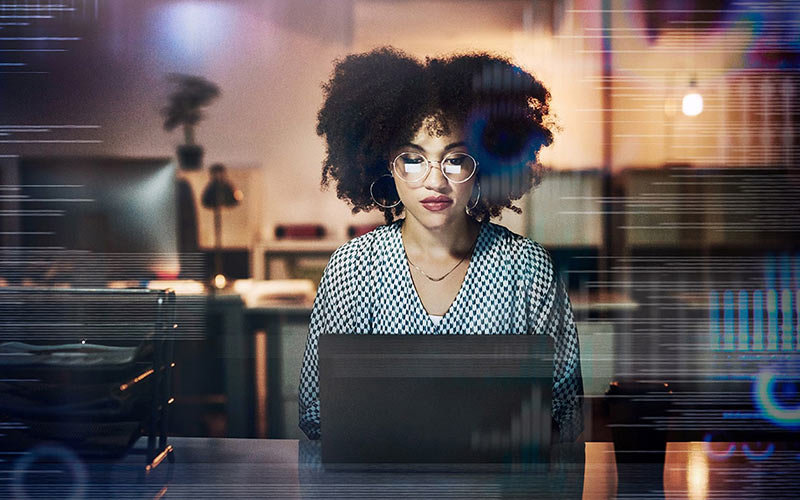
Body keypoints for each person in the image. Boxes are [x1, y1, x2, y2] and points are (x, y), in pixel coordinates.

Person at [299, 47, 583, 444]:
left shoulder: (528, 268)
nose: (435, 181)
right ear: (386, 166)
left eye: (455, 159)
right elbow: (317, 411)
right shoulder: (353, 267)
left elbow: (566, 410)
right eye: (413, 159)